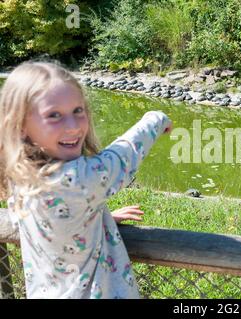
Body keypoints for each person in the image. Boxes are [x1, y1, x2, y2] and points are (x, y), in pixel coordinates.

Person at [0, 61, 172, 298]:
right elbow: (124, 155)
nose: (72, 126)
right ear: (20, 125)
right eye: (54, 115)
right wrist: (156, 118)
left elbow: (59, 224)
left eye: (78, 111)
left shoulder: (21, 177)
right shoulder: (76, 180)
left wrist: (94, 215)